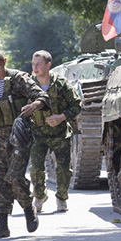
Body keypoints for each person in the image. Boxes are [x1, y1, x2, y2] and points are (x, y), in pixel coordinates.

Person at [0, 48, 50, 238]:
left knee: (15, 176)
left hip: (18, 136)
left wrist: (33, 106)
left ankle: (28, 209)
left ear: (4, 61)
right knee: (0, 180)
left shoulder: (19, 79)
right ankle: (2, 224)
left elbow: (42, 97)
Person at [29, 50, 82, 213]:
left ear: (48, 65)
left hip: (59, 133)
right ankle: (39, 196)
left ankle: (61, 197)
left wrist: (62, 116)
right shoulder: (28, 84)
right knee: (36, 168)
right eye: (33, 64)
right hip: (37, 133)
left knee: (64, 169)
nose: (35, 67)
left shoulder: (61, 84)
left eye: (39, 64)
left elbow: (77, 104)